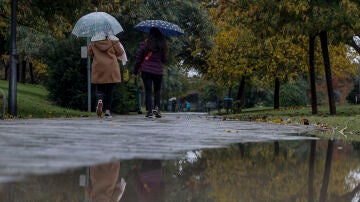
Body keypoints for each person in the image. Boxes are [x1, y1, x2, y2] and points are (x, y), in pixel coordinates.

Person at [133, 28, 168, 118]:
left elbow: (138, 58)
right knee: (157, 91)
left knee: (148, 91)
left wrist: (135, 71)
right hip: (158, 71)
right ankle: (157, 108)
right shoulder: (163, 45)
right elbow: (165, 60)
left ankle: (149, 112)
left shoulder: (145, 44)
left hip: (146, 70)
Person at [88, 33, 125, 119]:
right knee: (110, 91)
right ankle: (108, 112)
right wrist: (116, 42)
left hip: (99, 67)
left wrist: (91, 44)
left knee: (99, 89)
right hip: (111, 68)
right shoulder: (113, 40)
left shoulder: (94, 41)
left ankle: (100, 101)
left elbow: (89, 53)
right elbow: (120, 53)